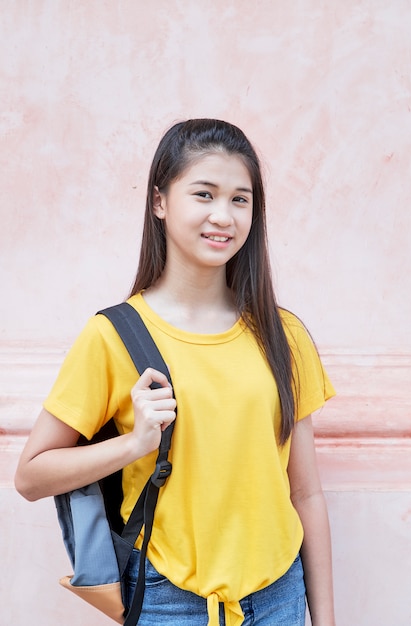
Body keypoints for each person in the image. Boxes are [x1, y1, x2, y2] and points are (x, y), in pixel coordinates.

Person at [15, 118, 336, 626]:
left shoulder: (284, 334)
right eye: (204, 194)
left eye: (240, 199)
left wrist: (325, 618)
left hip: (280, 597)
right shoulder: (114, 336)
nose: (223, 216)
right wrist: (132, 444)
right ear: (160, 202)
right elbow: (30, 477)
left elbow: (307, 493)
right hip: (170, 602)